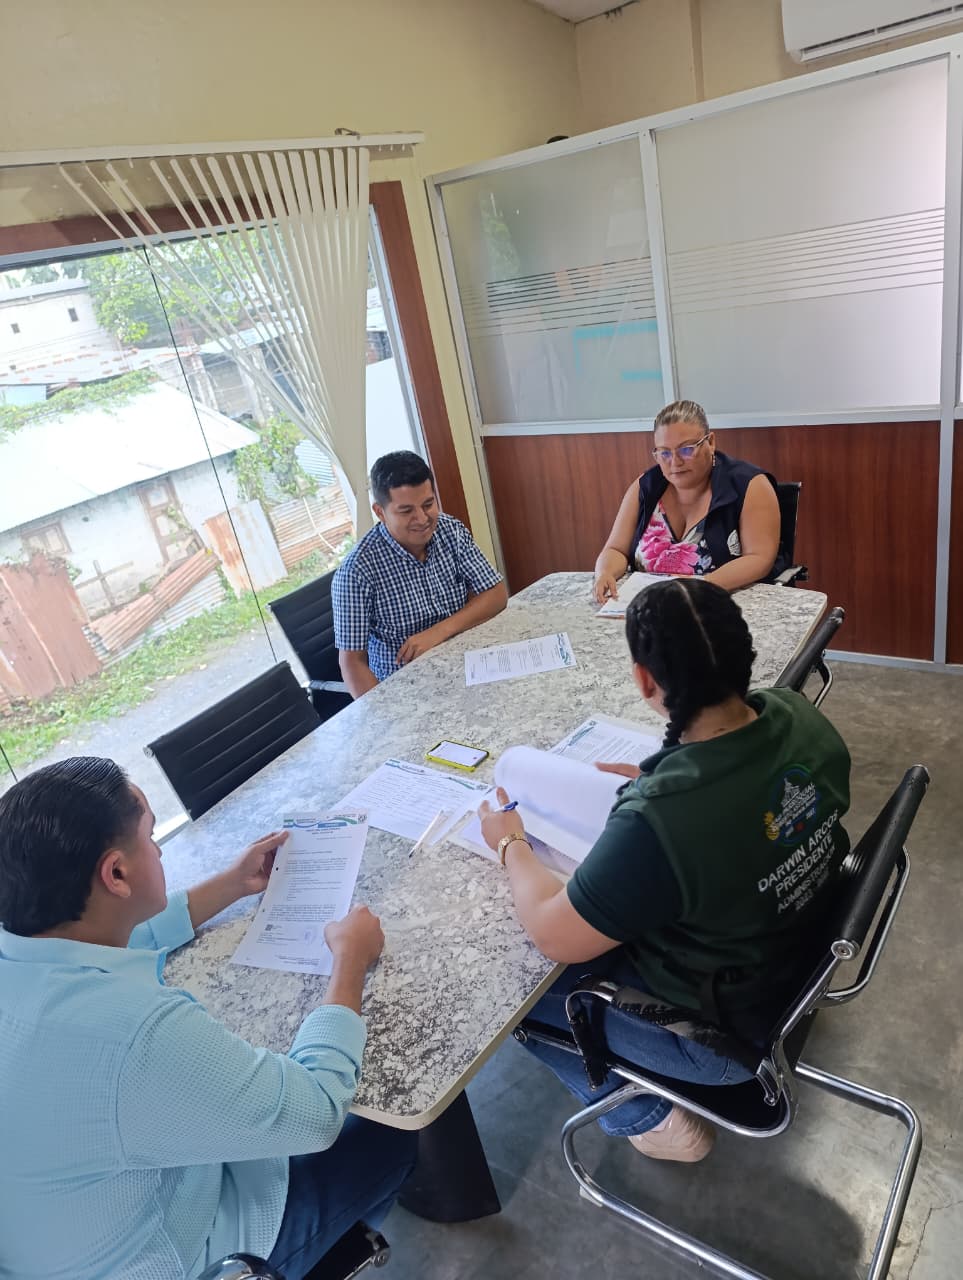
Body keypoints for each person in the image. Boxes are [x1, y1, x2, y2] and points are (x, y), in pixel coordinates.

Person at [479, 578, 851, 1163]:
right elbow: (748, 797)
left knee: (512, 992)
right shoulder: (796, 713)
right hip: (795, 957)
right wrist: (667, 774)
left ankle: (648, 1117)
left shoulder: (662, 820)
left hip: (719, 1038)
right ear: (745, 654)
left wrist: (510, 843)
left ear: (645, 680)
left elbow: (554, 933)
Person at [0, 758, 416, 1280]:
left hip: (60, 1247)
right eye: (151, 837)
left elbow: (109, 939)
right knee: (386, 1132)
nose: (158, 850)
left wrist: (232, 884)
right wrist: (350, 961)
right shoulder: (132, 1033)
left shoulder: (23, 948)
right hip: (179, 1259)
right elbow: (315, 1113)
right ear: (117, 874)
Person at [333, 450, 508, 698]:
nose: (422, 518)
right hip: (407, 687)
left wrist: (437, 632)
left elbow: (496, 594)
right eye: (406, 511)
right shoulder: (357, 571)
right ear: (380, 512)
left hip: (470, 665)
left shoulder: (449, 530)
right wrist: (382, 712)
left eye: (428, 504)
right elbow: (352, 662)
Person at [593, 400, 784, 604]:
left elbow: (759, 558)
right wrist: (605, 573)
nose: (675, 462)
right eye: (665, 452)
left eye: (686, 450)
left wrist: (699, 587)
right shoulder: (645, 487)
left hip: (723, 605)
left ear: (710, 442)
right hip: (653, 608)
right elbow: (616, 549)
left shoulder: (749, 485)